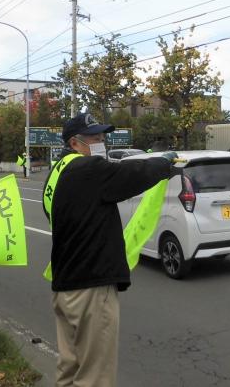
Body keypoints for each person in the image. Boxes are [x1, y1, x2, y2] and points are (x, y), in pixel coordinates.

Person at [43, 113, 176, 387]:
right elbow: (131, 174)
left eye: (103, 137)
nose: (101, 143)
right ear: (74, 143)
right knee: (95, 377)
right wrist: (163, 163)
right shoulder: (87, 170)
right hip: (91, 289)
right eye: (95, 138)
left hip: (65, 285)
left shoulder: (56, 175)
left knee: (69, 368)